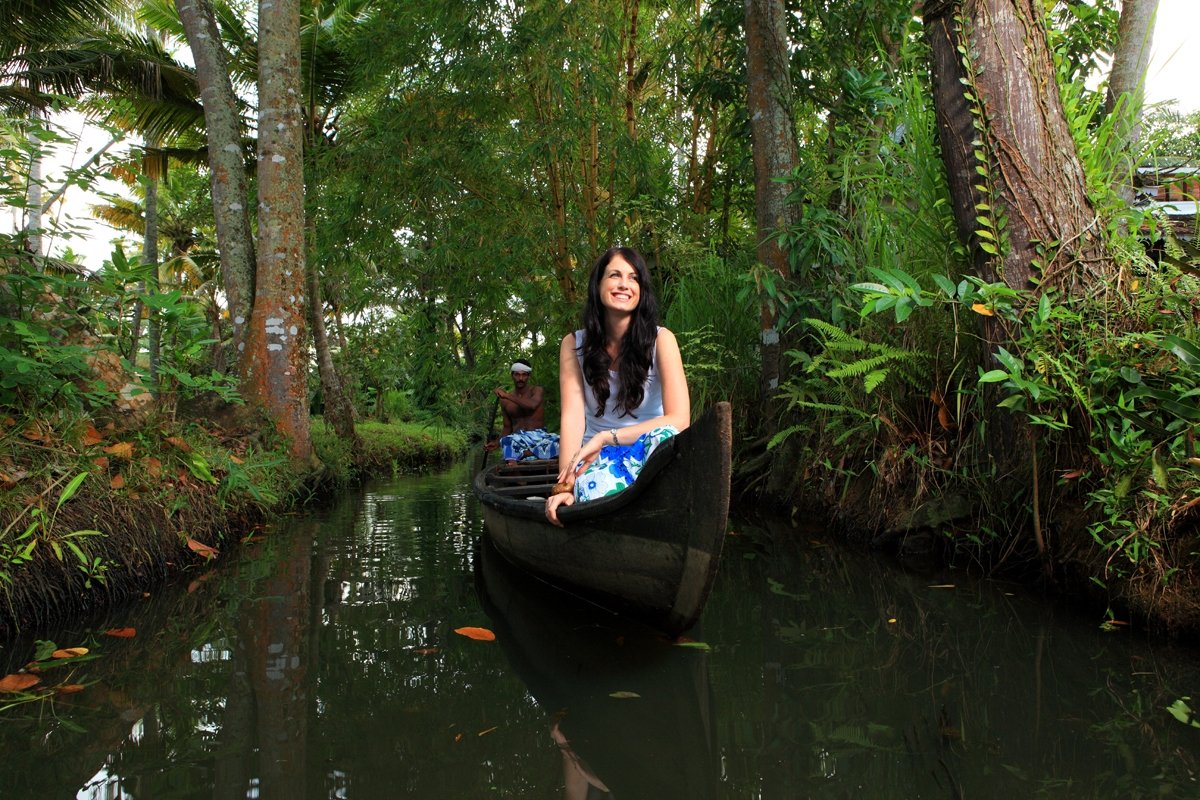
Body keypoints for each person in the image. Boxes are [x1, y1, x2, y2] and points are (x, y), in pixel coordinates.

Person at [546, 246, 690, 526]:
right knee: (597, 488)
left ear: (641, 290)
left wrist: (606, 437)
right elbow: (573, 419)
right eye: (614, 275)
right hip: (596, 459)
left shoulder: (663, 340)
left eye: (633, 278)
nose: (624, 284)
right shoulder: (572, 345)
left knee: (667, 436)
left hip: (650, 453)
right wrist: (566, 485)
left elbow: (679, 421)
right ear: (598, 285)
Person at [486, 359, 560, 464]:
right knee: (507, 441)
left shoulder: (536, 390)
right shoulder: (505, 402)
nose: (521, 378)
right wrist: (497, 442)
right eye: (517, 375)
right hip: (518, 440)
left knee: (563, 443)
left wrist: (507, 395)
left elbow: (532, 405)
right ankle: (520, 475)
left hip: (540, 438)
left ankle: (525, 453)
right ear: (512, 375)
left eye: (524, 375)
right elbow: (507, 427)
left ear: (528, 376)